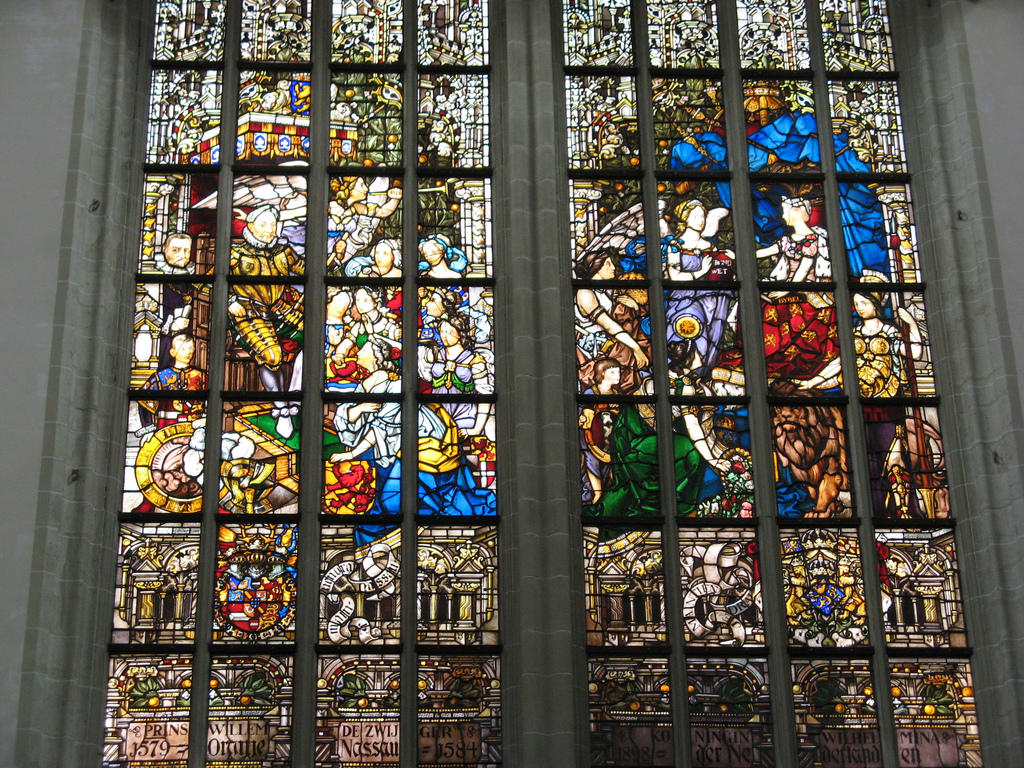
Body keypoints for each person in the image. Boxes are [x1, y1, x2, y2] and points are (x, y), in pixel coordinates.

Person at [228, 205, 305, 437]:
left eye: (272, 225)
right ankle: (281, 409)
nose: (269, 230)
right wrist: (229, 299)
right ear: (250, 226)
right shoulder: (235, 254)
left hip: (281, 309)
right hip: (249, 312)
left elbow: (307, 269)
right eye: (263, 225)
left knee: (318, 340)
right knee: (272, 356)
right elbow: (207, 280)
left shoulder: (284, 252)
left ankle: (294, 397)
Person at [803, 276, 923, 397]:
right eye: (856, 304)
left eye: (864, 303)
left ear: (875, 304)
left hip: (886, 395)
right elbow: (840, 363)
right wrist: (811, 382)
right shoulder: (855, 333)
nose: (859, 308)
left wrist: (912, 324)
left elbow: (915, 354)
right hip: (857, 392)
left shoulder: (889, 332)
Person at [328, 339, 402, 515]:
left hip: (394, 449)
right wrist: (358, 409)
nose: (358, 352)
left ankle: (383, 521)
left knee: (389, 496)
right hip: (371, 447)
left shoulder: (395, 385)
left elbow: (381, 428)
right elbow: (347, 414)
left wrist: (351, 454)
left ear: (376, 358)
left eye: (363, 349)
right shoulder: (366, 383)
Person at [574, 249, 651, 395]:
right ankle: (629, 389)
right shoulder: (585, 293)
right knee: (629, 346)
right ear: (596, 267)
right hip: (594, 345)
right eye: (607, 264)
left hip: (609, 338)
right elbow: (609, 325)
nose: (613, 268)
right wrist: (636, 348)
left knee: (630, 322)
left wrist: (634, 306)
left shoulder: (606, 290)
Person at [137, 333, 207, 431]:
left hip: (195, 431)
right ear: (173, 352)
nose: (188, 352)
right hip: (165, 429)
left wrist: (205, 420)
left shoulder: (201, 377)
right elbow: (143, 401)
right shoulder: (159, 377)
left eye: (191, 348)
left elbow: (211, 404)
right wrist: (148, 427)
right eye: (183, 349)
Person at [755, 196, 831, 283]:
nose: (783, 216)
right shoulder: (786, 240)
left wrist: (787, 290)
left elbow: (803, 270)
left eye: (786, 212)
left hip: (806, 285)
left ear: (799, 213)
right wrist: (737, 255)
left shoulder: (812, 240)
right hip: (787, 282)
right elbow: (768, 251)